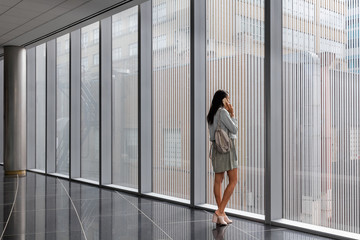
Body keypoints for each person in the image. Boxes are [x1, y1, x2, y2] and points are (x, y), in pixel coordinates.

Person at [207, 90, 238, 226]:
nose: (229, 102)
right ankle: (219, 212)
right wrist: (232, 113)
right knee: (233, 180)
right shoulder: (223, 112)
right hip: (227, 150)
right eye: (228, 99)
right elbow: (234, 130)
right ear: (223, 100)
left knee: (218, 181)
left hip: (216, 149)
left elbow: (212, 136)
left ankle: (221, 213)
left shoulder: (211, 114)